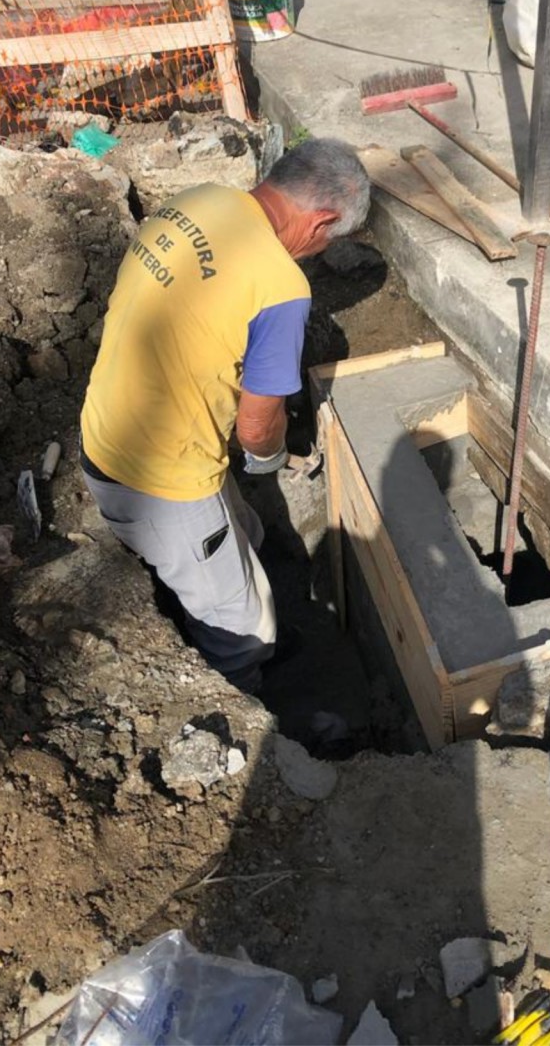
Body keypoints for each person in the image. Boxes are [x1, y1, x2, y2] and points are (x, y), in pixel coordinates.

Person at [79, 138, 372, 693]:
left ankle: (238, 591)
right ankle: (245, 708)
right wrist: (271, 460)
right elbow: (257, 427)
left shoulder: (199, 200)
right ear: (321, 221)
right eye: (327, 241)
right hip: (160, 481)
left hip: (106, 430)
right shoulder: (281, 287)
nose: (315, 254)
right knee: (241, 628)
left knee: (247, 530)